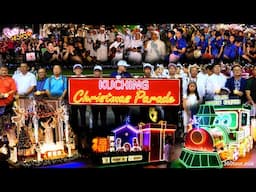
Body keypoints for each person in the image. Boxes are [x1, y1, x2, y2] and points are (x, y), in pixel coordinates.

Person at [69, 64, 87, 155]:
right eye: (76, 69)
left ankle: (83, 131)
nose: (78, 70)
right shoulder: (71, 78)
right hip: (74, 101)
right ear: (74, 70)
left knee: (83, 116)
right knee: (74, 116)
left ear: (81, 70)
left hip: (83, 100)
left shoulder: (85, 78)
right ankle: (75, 130)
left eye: (79, 69)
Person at [110, 60, 132, 127]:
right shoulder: (113, 74)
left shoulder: (128, 74)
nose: (126, 68)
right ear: (120, 67)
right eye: (125, 66)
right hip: (116, 101)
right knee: (117, 118)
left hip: (125, 101)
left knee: (125, 119)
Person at [90, 65, 107, 135]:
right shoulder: (90, 81)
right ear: (94, 72)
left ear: (101, 72)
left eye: (98, 71)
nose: (97, 73)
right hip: (94, 104)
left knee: (103, 119)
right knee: (95, 119)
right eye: (96, 71)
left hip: (103, 103)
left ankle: (104, 133)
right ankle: (95, 133)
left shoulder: (105, 81)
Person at [0, 66, 17, 136]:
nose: (4, 72)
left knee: (7, 122)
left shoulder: (11, 80)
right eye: (2, 70)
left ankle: (8, 138)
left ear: (7, 71)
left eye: (5, 70)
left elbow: (14, 90)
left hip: (8, 104)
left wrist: (6, 94)